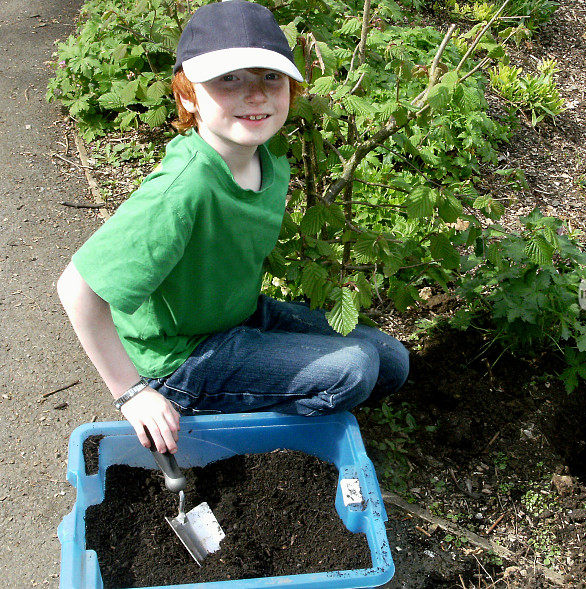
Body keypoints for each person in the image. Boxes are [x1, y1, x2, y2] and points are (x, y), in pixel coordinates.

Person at [57, 0, 409, 456]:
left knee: (391, 361)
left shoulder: (270, 158)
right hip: (181, 358)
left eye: (270, 77)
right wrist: (131, 393)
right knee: (355, 368)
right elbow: (76, 289)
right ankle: (251, 445)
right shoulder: (182, 190)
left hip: (236, 317)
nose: (256, 95)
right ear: (187, 95)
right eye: (229, 79)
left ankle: (273, 407)